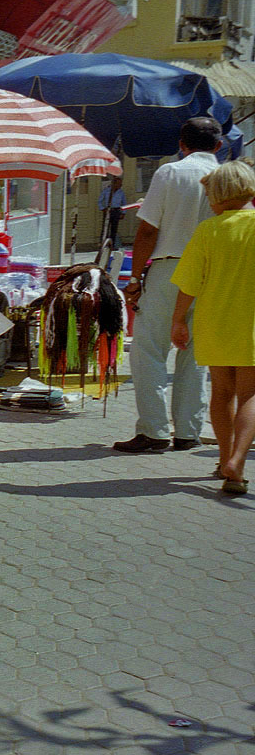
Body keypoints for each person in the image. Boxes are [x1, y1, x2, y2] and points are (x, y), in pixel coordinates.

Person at [114, 117, 224, 453]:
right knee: (195, 356)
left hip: (170, 270)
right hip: (212, 273)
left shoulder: (170, 173)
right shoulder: (229, 178)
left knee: (149, 350)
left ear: (182, 143)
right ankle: (188, 430)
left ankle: (155, 430)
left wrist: (134, 279)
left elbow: (148, 231)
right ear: (218, 146)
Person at [170, 161, 255, 494]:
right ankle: (238, 461)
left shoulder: (208, 230)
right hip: (251, 324)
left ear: (220, 195)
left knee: (222, 392)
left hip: (215, 321)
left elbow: (189, 283)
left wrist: (178, 320)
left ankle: (223, 460)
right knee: (251, 393)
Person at [98, 175, 127, 250]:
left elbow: (124, 203)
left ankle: (112, 245)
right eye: (118, 184)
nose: (120, 185)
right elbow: (100, 201)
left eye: (121, 184)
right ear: (114, 183)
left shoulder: (121, 192)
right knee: (105, 228)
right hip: (108, 210)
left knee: (114, 229)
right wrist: (102, 208)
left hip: (116, 211)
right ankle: (103, 244)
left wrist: (123, 212)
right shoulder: (106, 191)